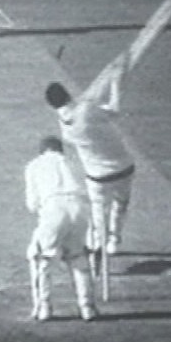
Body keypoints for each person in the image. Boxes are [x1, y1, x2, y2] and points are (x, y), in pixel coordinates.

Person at [44, 54, 135, 257]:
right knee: (120, 205)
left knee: (98, 212)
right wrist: (115, 81)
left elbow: (78, 108)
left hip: (97, 176)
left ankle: (95, 245)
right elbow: (114, 110)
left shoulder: (65, 124)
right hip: (123, 167)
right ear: (68, 94)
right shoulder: (86, 110)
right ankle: (113, 241)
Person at [25, 135, 97, 322]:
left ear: (42, 151)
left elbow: (32, 205)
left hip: (54, 208)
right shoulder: (75, 163)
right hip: (81, 209)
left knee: (41, 258)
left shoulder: (34, 165)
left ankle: (44, 307)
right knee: (78, 257)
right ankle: (87, 307)